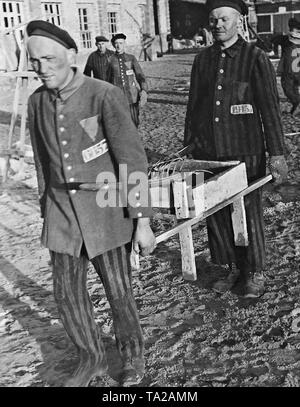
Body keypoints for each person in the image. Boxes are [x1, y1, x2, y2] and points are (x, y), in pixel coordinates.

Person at [26, 20, 156, 387]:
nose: (43, 67)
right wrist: (45, 211)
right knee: (66, 293)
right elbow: (41, 163)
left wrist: (142, 221)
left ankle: (132, 358)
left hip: (105, 209)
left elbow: (132, 160)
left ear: (71, 55)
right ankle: (91, 357)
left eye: (49, 58)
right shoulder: (37, 102)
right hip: (61, 212)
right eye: (35, 61)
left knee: (118, 289)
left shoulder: (103, 94)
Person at [184, 0, 288, 299]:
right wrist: (189, 145)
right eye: (214, 20)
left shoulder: (254, 57)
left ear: (239, 21)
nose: (218, 25)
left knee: (248, 209)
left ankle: (255, 270)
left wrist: (277, 153)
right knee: (215, 210)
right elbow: (194, 106)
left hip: (246, 150)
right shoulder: (202, 59)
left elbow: (270, 108)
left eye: (225, 19)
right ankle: (231, 266)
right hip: (208, 150)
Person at [107, 33, 148, 127]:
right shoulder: (110, 60)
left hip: (132, 96)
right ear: (113, 45)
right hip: (117, 97)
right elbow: (107, 80)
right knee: (120, 124)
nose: (118, 45)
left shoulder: (131, 58)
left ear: (125, 44)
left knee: (134, 122)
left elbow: (140, 75)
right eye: (116, 43)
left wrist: (144, 90)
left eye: (121, 43)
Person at [271, 17, 300, 115]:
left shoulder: (286, 40)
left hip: (288, 71)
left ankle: (297, 103)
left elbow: (273, 39)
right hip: (297, 71)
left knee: (288, 89)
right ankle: (296, 105)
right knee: (294, 88)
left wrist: (283, 34)